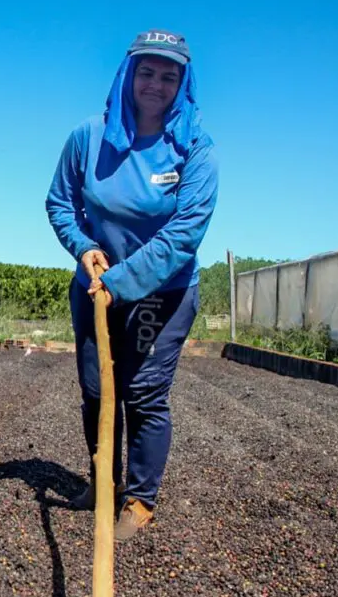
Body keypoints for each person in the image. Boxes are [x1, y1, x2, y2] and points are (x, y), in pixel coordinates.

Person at [44, 28, 218, 542]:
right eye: (147, 72)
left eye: (169, 76)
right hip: (95, 289)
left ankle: (140, 500)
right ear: (128, 74)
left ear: (183, 84)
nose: (156, 84)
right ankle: (102, 484)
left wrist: (122, 280)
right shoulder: (87, 137)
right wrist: (82, 246)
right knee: (98, 391)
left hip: (161, 295)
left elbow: (184, 234)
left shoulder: (195, 149)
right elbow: (59, 203)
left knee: (142, 392)